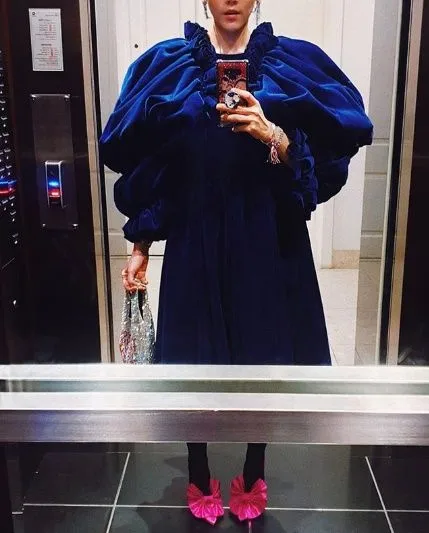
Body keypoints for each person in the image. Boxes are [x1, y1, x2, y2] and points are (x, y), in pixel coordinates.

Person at [100, 0, 373, 526]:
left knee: (262, 354)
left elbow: (322, 167)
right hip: (194, 236)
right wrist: (140, 246)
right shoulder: (170, 66)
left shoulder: (293, 66)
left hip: (267, 237)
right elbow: (158, 168)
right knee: (192, 358)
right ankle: (199, 469)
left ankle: (253, 468)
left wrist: (274, 135)